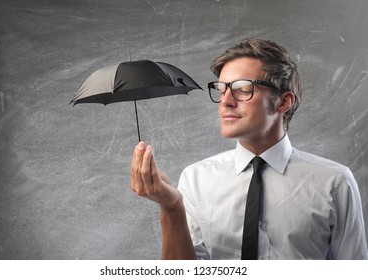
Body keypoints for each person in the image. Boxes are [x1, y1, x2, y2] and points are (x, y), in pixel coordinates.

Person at [130, 38, 368, 259]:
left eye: (243, 88)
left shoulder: (334, 183)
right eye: (221, 89)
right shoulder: (196, 179)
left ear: (284, 101)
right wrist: (171, 206)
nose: (225, 101)